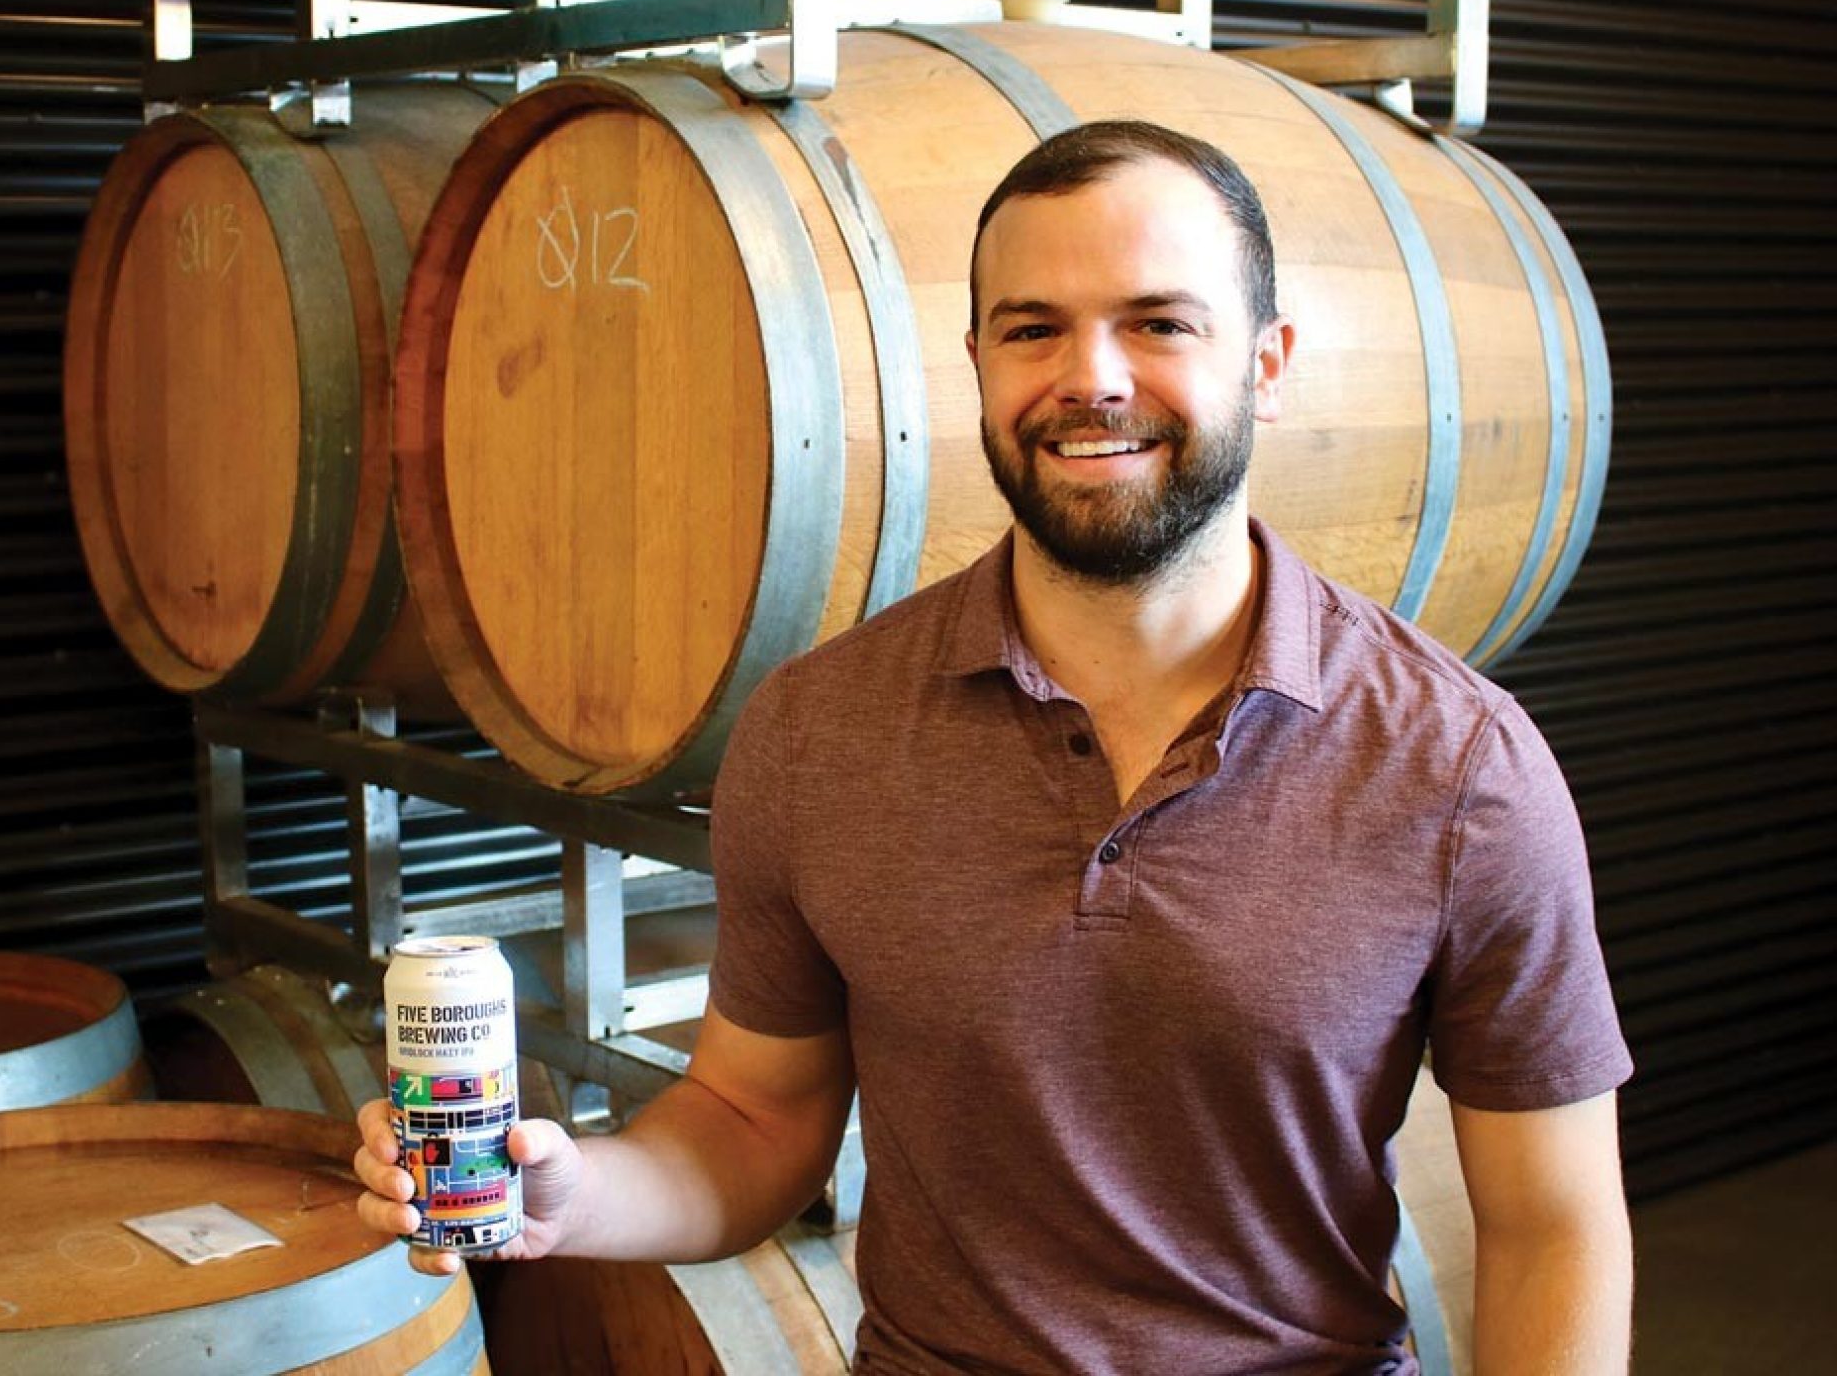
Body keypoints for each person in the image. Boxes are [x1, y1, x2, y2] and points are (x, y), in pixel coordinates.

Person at [357, 119, 1634, 1374]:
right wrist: (570, 1197)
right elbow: (756, 1122)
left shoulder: (1458, 767)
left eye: (1159, 321)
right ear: (975, 361)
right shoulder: (819, 732)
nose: (1094, 377)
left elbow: (1551, 1225)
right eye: (1034, 328)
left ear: (1269, 361)